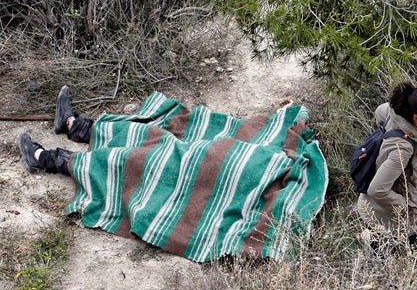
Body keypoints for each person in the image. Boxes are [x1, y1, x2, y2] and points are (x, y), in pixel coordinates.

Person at [18, 86, 329, 263]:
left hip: (211, 172)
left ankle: (48, 159)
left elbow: (250, 210)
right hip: (226, 154)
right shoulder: (288, 156)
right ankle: (76, 126)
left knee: (151, 162)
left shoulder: (274, 203)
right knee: (169, 133)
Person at [358, 82, 417, 230]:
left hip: (379, 211)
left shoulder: (395, 113)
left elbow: (380, 110)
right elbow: (377, 190)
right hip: (386, 223)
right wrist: (405, 205)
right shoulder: (402, 149)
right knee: (395, 252)